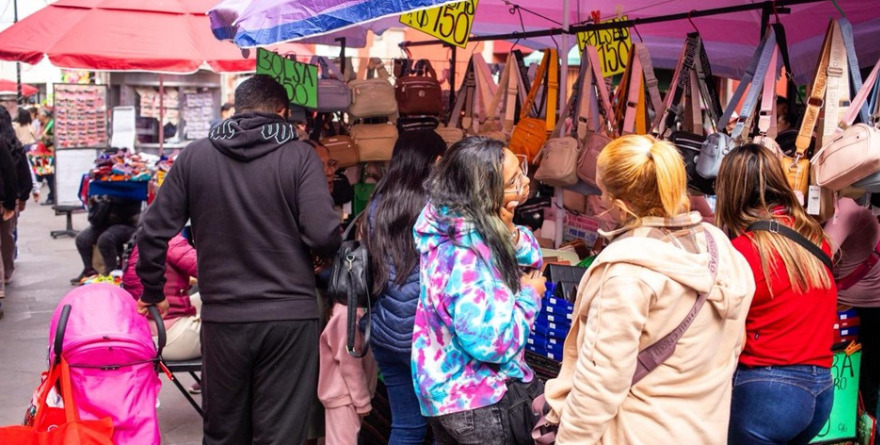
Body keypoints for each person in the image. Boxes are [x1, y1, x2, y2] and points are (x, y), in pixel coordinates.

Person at [135, 74, 341, 445]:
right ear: (282, 112)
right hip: (289, 318)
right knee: (280, 435)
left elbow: (151, 231)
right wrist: (317, 254)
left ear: (237, 109)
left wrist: (152, 290)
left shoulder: (196, 155)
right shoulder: (299, 156)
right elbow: (324, 234)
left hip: (224, 319)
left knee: (224, 432)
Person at [542, 135, 755, 444]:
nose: (602, 202)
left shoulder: (627, 273)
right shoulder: (720, 246)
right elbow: (734, 345)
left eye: (603, 193)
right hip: (703, 430)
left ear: (621, 206)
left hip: (636, 433)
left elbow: (598, 385)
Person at [411, 136, 546, 443]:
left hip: (446, 392)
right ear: (485, 194)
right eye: (513, 181)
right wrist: (530, 297)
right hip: (475, 398)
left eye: (521, 170)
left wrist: (510, 231)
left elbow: (532, 258)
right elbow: (491, 343)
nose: (525, 183)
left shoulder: (454, 222)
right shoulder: (465, 254)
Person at [715, 144, 836, 445]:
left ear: (730, 191)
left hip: (767, 391)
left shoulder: (742, 250)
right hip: (821, 389)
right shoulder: (816, 239)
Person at [362, 130, 446, 444]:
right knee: (443, 428)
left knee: (406, 426)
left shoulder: (377, 203)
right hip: (428, 336)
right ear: (434, 160)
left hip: (385, 333)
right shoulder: (440, 208)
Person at [822, 197, 880, 415]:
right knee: (863, 374)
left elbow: (818, 255)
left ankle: (871, 424)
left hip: (873, 304)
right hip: (851, 302)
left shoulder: (845, 208)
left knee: (871, 375)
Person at [123, 233, 200, 361]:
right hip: (172, 339)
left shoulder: (139, 242)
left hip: (147, 336)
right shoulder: (171, 241)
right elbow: (211, 271)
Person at [317, 282, 378, 445]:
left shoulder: (351, 310)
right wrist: (362, 400)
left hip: (348, 396)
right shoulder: (346, 314)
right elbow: (349, 362)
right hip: (345, 397)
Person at [72, 195, 142, 283]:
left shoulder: (132, 190)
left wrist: (112, 199)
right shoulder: (103, 189)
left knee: (106, 239)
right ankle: (89, 270)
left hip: (128, 223)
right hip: (105, 221)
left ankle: (112, 273)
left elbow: (132, 208)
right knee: (82, 239)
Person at [0, 106, 33, 288]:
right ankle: (7, 270)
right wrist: (21, 198)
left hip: (8, 197)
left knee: (6, 236)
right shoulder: (14, 143)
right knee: (8, 236)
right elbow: (22, 173)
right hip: (10, 197)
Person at [35, 108, 55, 205]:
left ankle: (52, 196)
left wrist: (44, 138)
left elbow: (53, 139)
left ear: (43, 115)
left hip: (48, 155)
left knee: (49, 176)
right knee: (47, 175)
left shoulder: (51, 124)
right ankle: (52, 195)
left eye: (38, 114)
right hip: (43, 155)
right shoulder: (44, 125)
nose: (37, 116)